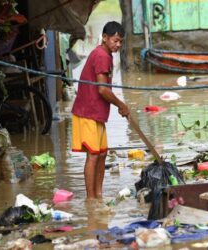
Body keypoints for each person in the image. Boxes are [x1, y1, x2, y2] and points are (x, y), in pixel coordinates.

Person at [71, 21, 129, 200]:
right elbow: (103, 89)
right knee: (94, 155)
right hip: (88, 112)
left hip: (97, 113)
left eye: (121, 41)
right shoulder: (101, 55)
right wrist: (121, 105)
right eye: (115, 40)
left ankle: (99, 195)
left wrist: (119, 105)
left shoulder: (105, 54)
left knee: (102, 154)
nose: (118, 44)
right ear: (105, 38)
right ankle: (91, 199)